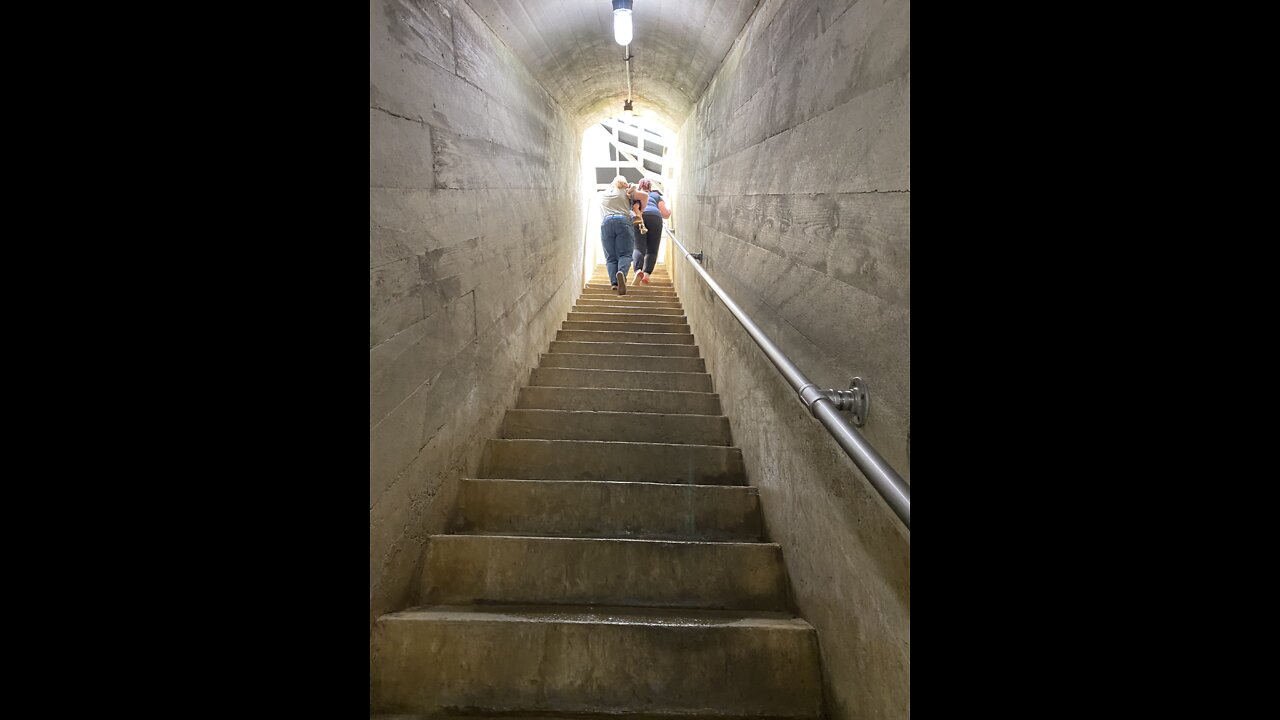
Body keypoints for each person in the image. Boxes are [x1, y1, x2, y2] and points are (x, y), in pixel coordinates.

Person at [598, 176, 648, 294]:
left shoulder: (603, 193)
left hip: (606, 223)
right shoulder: (627, 190)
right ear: (624, 182)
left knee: (610, 257)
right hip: (623, 221)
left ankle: (614, 283)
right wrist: (641, 210)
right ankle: (621, 273)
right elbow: (645, 196)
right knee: (625, 254)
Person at [631, 178, 671, 284]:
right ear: (650, 187)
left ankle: (638, 270)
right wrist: (669, 211)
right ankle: (646, 275)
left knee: (638, 247)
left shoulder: (637, 195)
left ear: (640, 186)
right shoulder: (656, 196)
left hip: (640, 216)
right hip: (655, 217)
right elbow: (666, 214)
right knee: (652, 250)